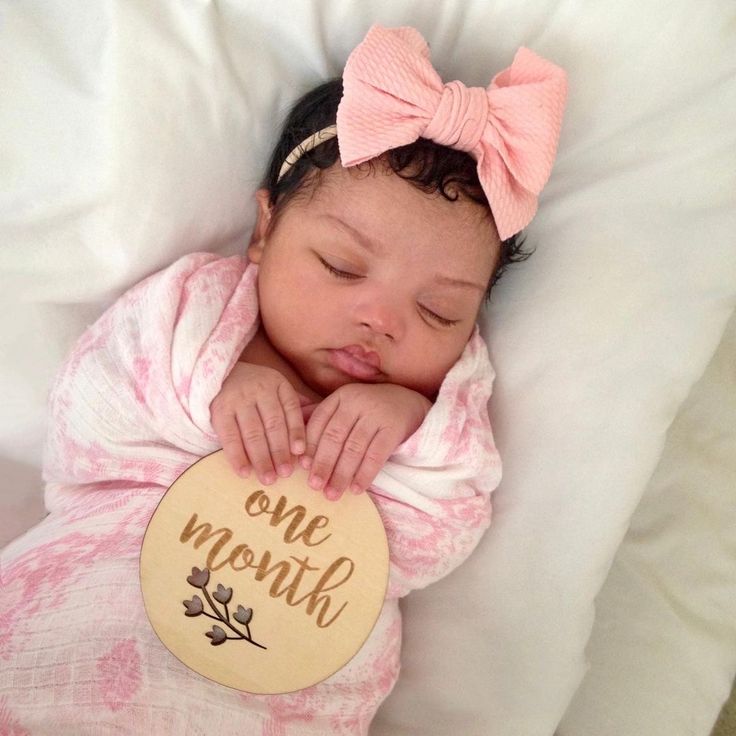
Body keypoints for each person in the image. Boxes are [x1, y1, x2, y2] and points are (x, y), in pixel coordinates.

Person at [0, 24, 566, 734]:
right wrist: (214, 388)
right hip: (65, 637)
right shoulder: (196, 316)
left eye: (438, 310)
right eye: (341, 267)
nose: (383, 321)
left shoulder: (436, 411)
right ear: (264, 231)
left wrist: (407, 424)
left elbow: (438, 537)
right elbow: (86, 409)